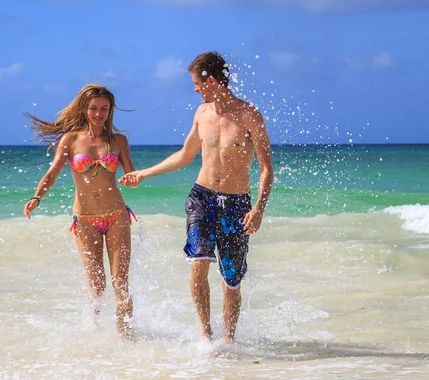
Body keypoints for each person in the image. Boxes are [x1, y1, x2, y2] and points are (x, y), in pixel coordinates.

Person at [119, 51, 274, 342]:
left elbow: (267, 169)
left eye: (196, 83)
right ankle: (206, 335)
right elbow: (185, 155)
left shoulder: (248, 115)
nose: (194, 89)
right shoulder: (202, 114)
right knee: (198, 262)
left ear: (211, 80)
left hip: (236, 204)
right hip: (201, 198)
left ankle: (228, 340)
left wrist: (259, 209)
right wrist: (144, 173)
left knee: (231, 280)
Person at [23, 83, 137, 340]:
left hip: (116, 214)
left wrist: (132, 179)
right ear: (85, 109)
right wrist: (36, 197)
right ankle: (95, 337)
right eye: (94, 108)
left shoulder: (119, 141)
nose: (99, 114)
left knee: (121, 283)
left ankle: (127, 340)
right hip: (85, 220)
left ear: (111, 111)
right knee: (97, 286)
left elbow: (131, 173)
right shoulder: (71, 139)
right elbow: (52, 172)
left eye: (104, 109)